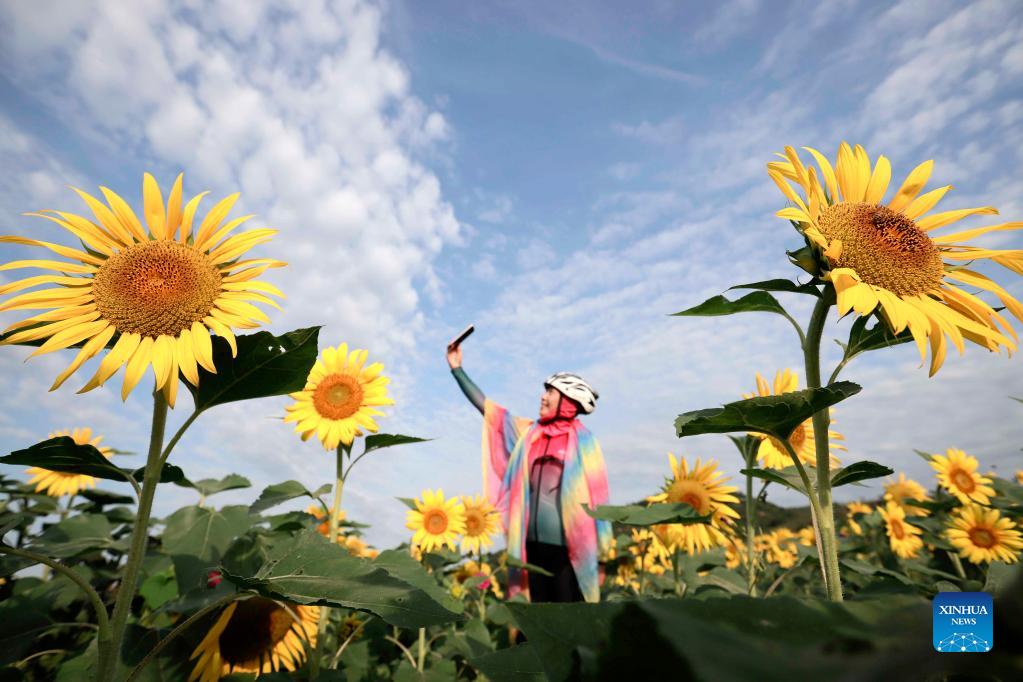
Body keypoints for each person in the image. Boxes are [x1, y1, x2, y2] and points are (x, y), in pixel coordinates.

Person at [446, 338, 611, 603]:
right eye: (544, 391)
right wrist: (457, 369)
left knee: (567, 624)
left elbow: (601, 504)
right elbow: (489, 411)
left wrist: (603, 558)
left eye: (550, 392)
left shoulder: (585, 444)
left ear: (568, 401)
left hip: (569, 553)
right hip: (530, 549)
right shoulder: (528, 434)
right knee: (535, 622)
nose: (543, 397)